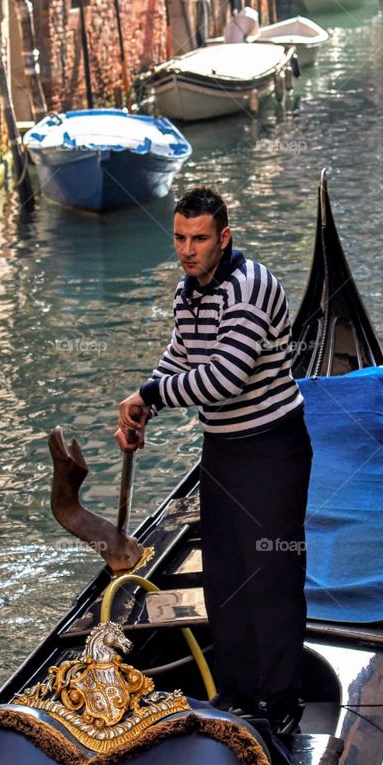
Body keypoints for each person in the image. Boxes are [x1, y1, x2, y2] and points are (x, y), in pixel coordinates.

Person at [115, 186, 312, 734]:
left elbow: (224, 379)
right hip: (223, 449)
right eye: (179, 237)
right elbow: (181, 353)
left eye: (199, 238)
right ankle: (237, 694)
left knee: (269, 573)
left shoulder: (250, 289)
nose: (187, 249)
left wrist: (154, 397)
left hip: (273, 448)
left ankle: (280, 706)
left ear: (223, 238)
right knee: (224, 576)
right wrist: (142, 395)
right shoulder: (188, 293)